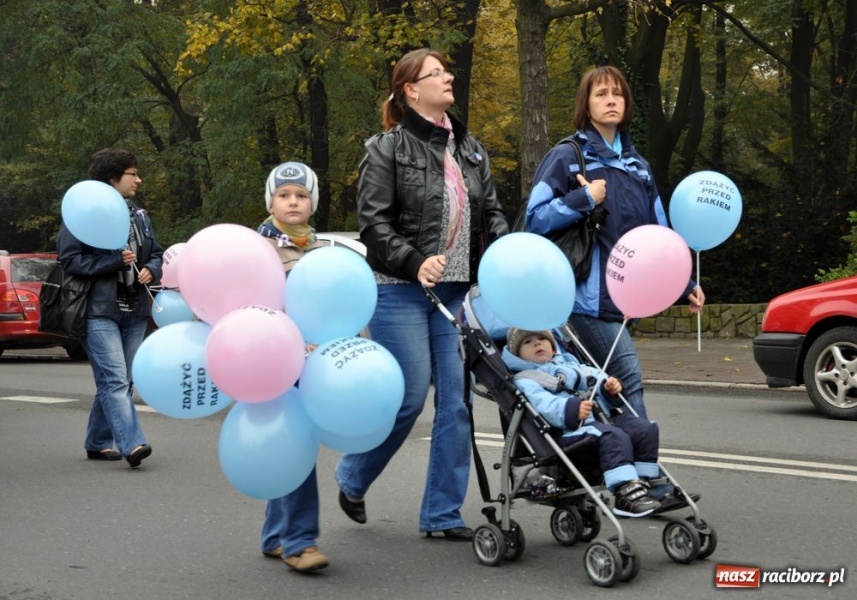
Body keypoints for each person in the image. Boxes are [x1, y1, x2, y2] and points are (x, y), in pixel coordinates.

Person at [334, 48, 509, 541]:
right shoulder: (386, 148)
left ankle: (441, 514)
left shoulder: (470, 148)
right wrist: (414, 261)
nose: (448, 77)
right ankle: (353, 475)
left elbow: (491, 209)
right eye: (436, 73)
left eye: (446, 71)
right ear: (411, 89)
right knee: (407, 398)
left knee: (457, 403)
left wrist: (499, 239)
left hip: (455, 293)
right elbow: (373, 225)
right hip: (400, 289)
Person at [525, 65, 705, 420]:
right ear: (586, 104)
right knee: (628, 377)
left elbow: (658, 238)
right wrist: (584, 199)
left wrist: (684, 282)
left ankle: (606, 463)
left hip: (622, 300)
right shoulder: (568, 155)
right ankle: (644, 470)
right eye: (601, 94)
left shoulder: (639, 166)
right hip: (583, 299)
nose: (611, 101)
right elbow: (535, 219)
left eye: (618, 94)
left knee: (602, 393)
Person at [58, 148, 163, 468]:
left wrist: (152, 269)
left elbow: (156, 252)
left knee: (122, 380)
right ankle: (132, 444)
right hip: (98, 309)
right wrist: (112, 262)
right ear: (112, 178)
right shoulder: (83, 212)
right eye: (133, 173)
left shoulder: (139, 214)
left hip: (135, 309)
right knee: (115, 379)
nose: (139, 179)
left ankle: (97, 441)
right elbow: (70, 260)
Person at [502, 327, 666, 517]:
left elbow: (597, 378)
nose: (537, 343)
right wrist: (571, 409)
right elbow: (544, 405)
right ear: (518, 355)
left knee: (644, 428)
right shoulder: (525, 380)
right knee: (613, 436)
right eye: (527, 342)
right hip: (568, 431)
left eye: (541, 338)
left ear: (554, 348)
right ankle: (624, 492)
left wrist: (609, 388)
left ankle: (642, 482)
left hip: (600, 419)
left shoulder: (573, 367)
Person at [256, 161, 330, 573]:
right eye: (284, 195)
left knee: (288, 442)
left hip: (310, 362)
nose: (293, 201)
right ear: (271, 201)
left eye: (301, 195)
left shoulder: (320, 250)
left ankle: (274, 535)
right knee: (298, 444)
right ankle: (300, 542)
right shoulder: (258, 248)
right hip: (269, 361)